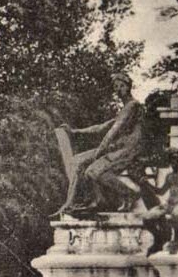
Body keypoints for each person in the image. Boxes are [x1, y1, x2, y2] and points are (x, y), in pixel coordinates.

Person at [58, 72, 146, 215]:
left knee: (93, 172)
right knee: (89, 170)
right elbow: (102, 127)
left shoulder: (133, 106)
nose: (118, 89)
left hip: (129, 148)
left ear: (129, 87)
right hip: (119, 147)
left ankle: (126, 194)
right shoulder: (125, 109)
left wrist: (100, 151)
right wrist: (75, 132)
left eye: (122, 86)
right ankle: (95, 201)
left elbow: (113, 131)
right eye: (116, 87)